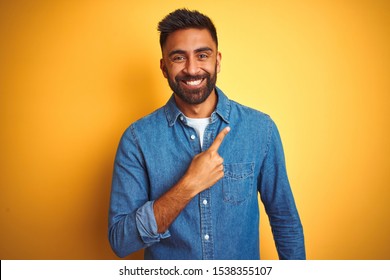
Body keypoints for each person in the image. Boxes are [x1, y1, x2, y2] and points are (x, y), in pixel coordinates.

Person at [108, 8, 305, 260]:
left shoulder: (261, 130)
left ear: (217, 60)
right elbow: (121, 241)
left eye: (202, 55)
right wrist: (189, 185)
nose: (192, 69)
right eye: (178, 58)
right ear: (164, 67)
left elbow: (285, 221)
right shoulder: (137, 139)